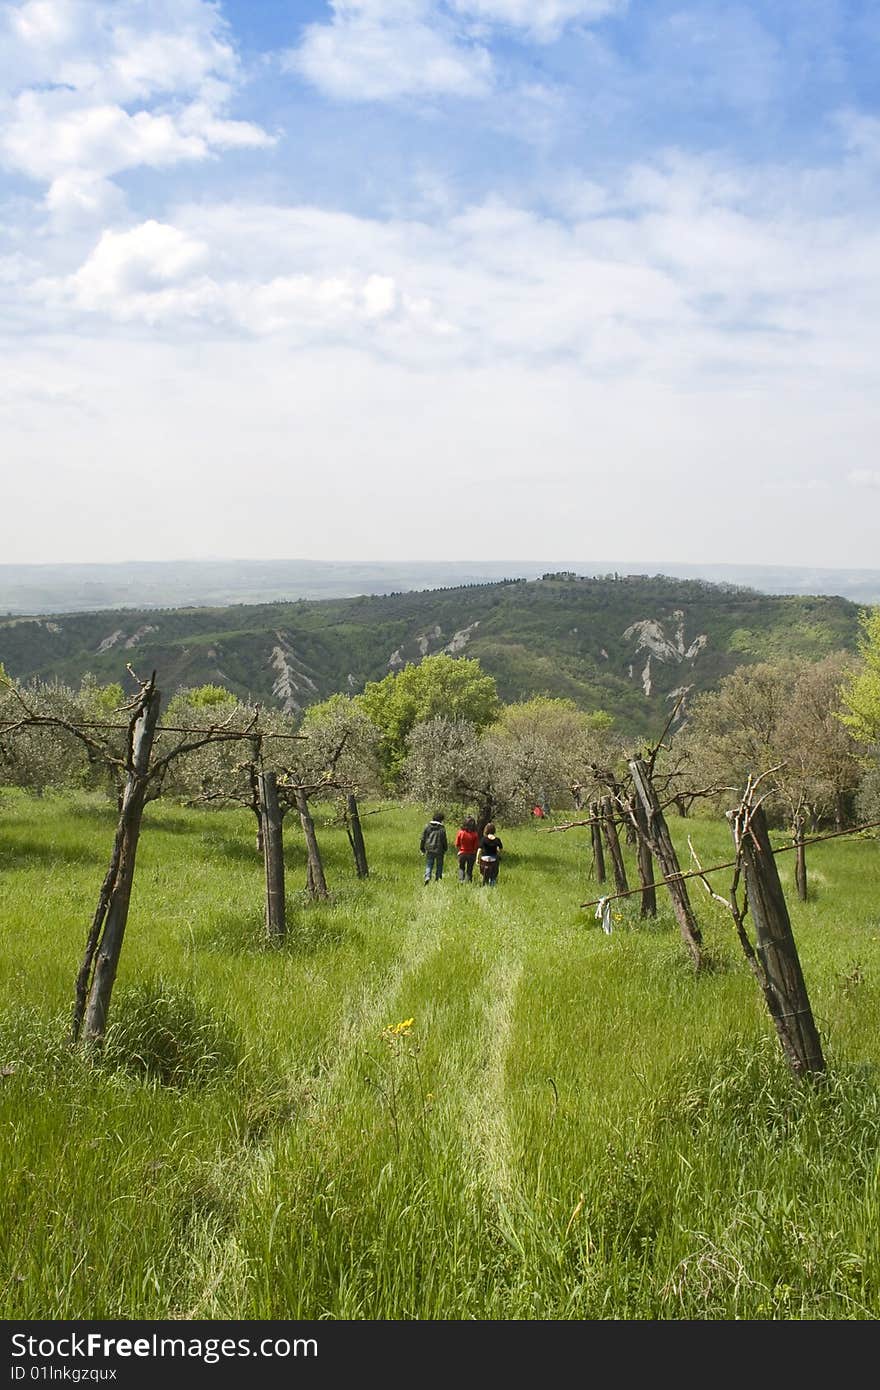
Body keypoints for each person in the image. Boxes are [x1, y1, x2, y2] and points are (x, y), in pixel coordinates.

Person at [420, 811, 448, 883]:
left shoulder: (427, 826)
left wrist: (422, 848)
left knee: (429, 863)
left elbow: (423, 838)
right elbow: (444, 840)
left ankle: (427, 876)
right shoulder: (442, 829)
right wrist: (445, 848)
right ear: (441, 819)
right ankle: (438, 878)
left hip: (429, 849)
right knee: (439, 864)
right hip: (439, 849)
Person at [478, 822, 503, 887]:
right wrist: (499, 856)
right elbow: (500, 850)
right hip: (493, 859)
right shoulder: (497, 840)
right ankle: (492, 885)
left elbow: (479, 850)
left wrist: (477, 859)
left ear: (486, 830)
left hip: (484, 859)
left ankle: (483, 885)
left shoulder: (483, 839)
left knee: (483, 874)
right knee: (493, 875)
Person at [455, 816, 480, 882]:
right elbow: (476, 846)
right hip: (471, 854)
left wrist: (459, 850)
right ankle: (467, 881)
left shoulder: (461, 832)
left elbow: (457, 844)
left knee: (461, 867)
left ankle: (461, 880)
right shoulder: (475, 834)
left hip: (462, 853)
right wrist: (475, 853)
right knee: (469, 869)